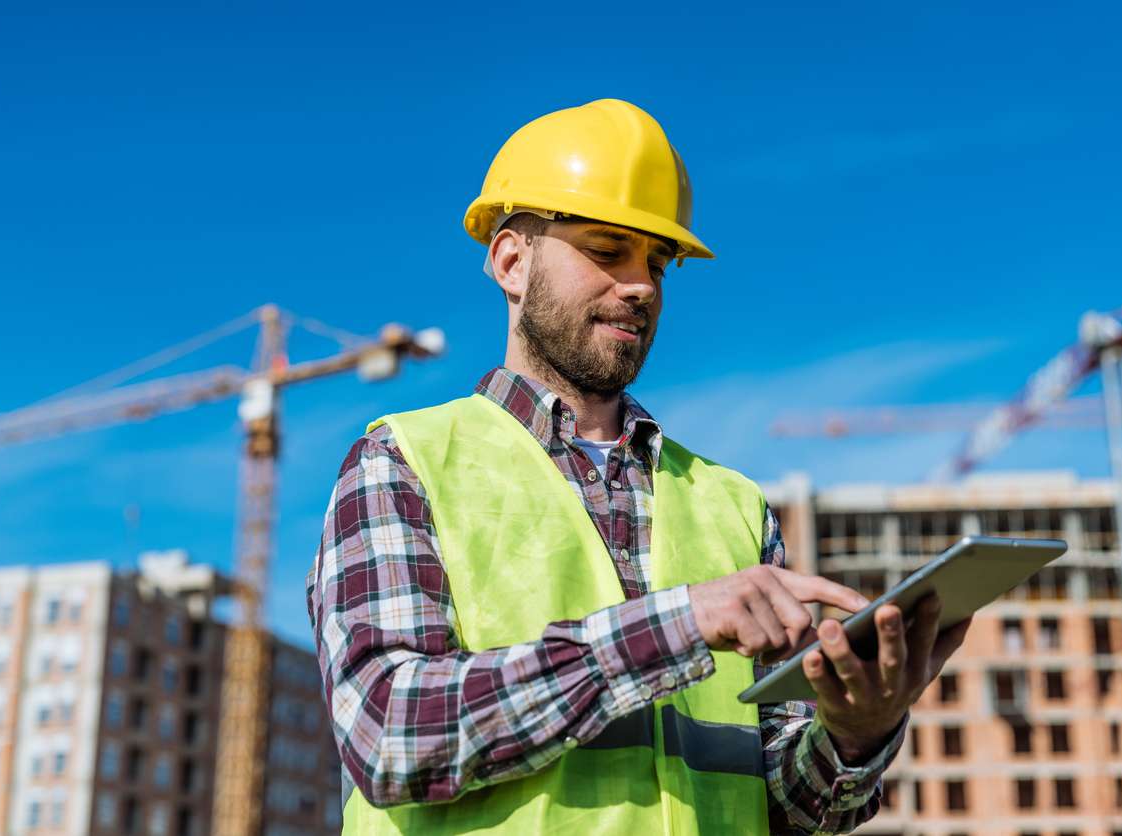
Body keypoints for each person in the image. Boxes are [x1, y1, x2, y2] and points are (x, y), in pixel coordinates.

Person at [307, 98, 971, 835]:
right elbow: (391, 736)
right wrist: (677, 626)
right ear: (511, 261)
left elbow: (791, 807)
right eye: (608, 248)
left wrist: (857, 733)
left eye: (658, 261)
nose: (643, 285)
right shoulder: (404, 461)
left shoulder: (733, 504)